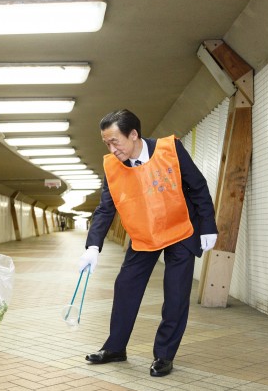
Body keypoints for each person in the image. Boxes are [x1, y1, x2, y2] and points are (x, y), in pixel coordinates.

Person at [79, 109, 217, 377]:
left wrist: (207, 226)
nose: (111, 148)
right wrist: (92, 246)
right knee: (125, 286)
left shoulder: (170, 149)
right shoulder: (112, 166)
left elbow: (198, 186)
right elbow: (106, 208)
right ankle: (115, 348)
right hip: (144, 234)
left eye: (115, 141)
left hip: (181, 229)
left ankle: (164, 355)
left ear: (133, 135)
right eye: (106, 142)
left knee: (175, 296)